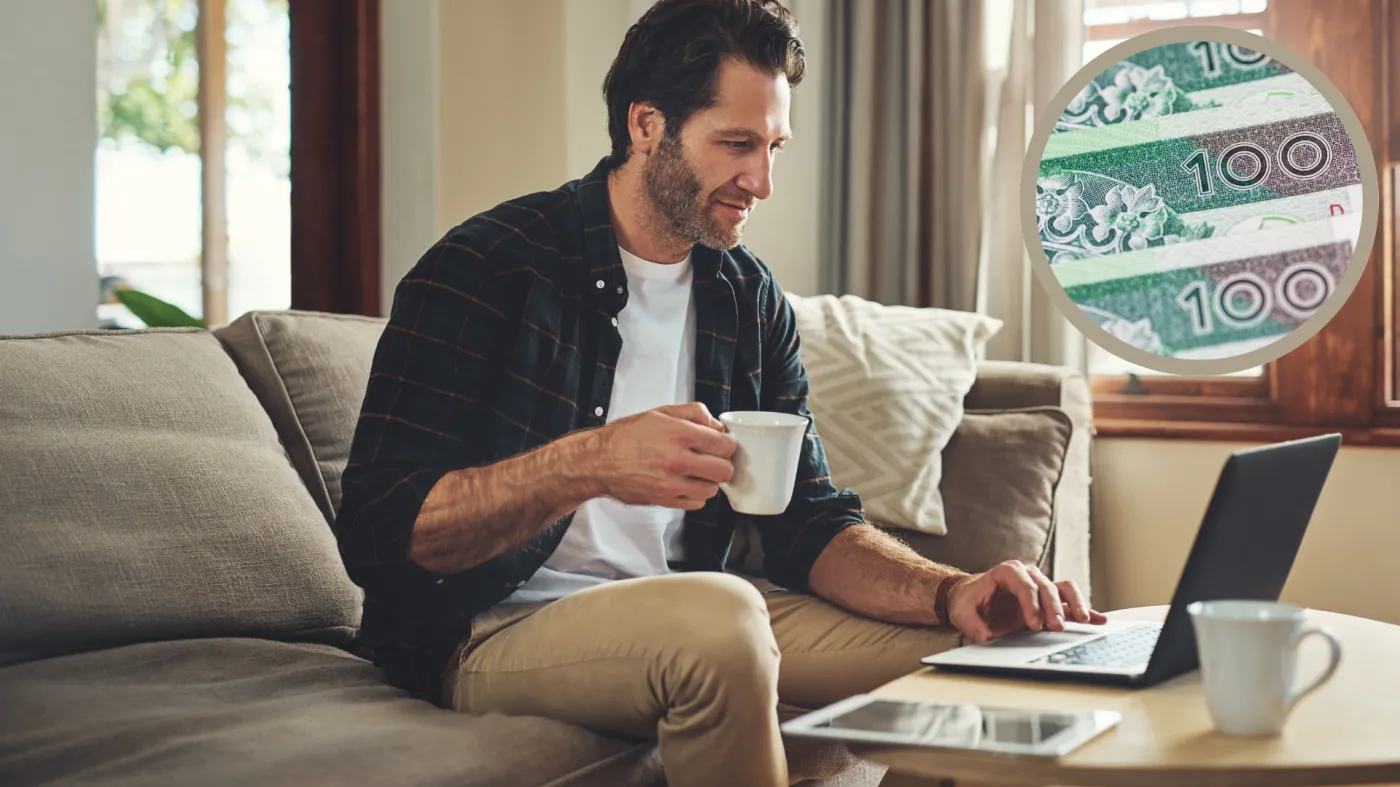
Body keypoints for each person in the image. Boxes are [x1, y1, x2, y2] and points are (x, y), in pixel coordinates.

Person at [336, 1, 1106, 784]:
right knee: (722, 613)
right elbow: (378, 532)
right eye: (736, 144)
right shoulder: (485, 267)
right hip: (492, 628)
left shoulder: (746, 296)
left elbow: (811, 523)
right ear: (646, 126)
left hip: (696, 606)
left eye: (773, 146)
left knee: (985, 665)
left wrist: (954, 591)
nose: (762, 181)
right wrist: (592, 462)